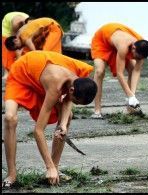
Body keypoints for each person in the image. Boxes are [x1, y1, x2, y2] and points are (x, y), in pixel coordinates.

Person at [2, 50, 97, 187]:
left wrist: (63, 125)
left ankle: (55, 168)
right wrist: (48, 166)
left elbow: (68, 101)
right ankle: (12, 174)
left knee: (67, 117)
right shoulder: (56, 85)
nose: (74, 104)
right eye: (76, 102)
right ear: (71, 91)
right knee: (10, 118)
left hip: (41, 78)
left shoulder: (78, 79)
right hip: (21, 76)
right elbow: (38, 131)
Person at [90, 22, 148, 119]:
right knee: (99, 71)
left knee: (132, 67)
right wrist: (130, 96)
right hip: (102, 41)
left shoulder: (142, 46)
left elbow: (136, 71)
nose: (137, 59)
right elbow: (120, 74)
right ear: (133, 48)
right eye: (136, 57)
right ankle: (97, 111)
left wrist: (132, 95)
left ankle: (130, 108)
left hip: (117, 40)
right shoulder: (124, 46)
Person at [2, 11, 29, 79]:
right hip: (7, 29)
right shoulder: (15, 25)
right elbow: (15, 42)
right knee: (8, 49)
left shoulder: (28, 20)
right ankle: (7, 72)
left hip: (22, 23)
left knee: (26, 47)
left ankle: (24, 70)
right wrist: (18, 56)